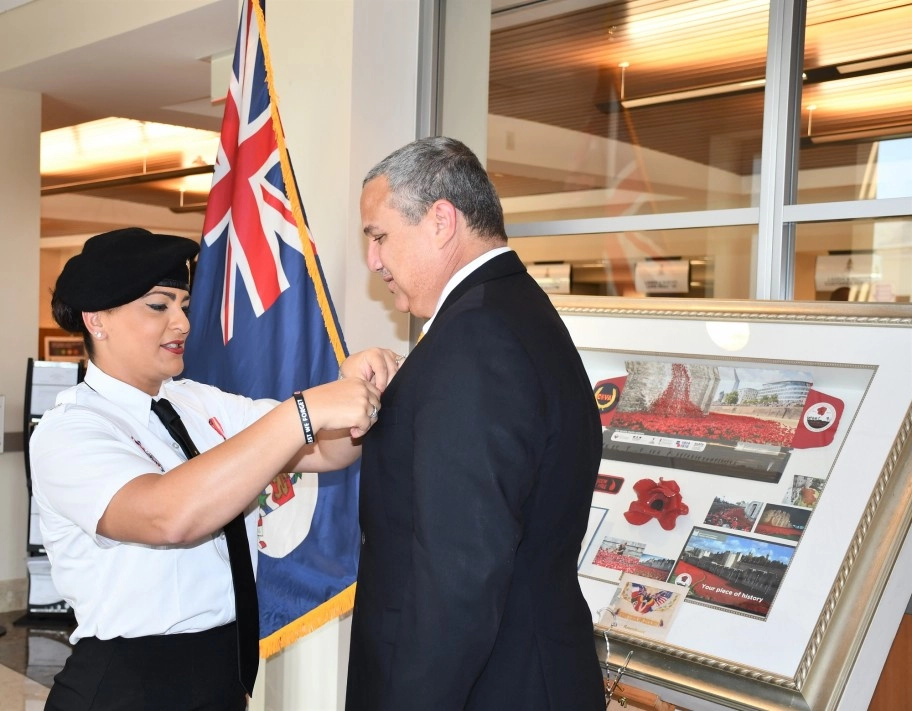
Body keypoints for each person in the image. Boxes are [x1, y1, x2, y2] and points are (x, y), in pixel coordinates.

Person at [29, 227, 399, 711]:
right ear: (97, 320)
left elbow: (327, 452)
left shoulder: (196, 401)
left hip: (220, 673)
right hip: (130, 686)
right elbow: (170, 516)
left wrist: (360, 397)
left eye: (183, 305)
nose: (181, 323)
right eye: (159, 306)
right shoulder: (70, 430)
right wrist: (304, 412)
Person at [345, 137, 605, 710]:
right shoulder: (511, 312)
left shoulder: (474, 341)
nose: (374, 261)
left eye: (379, 236)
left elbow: (457, 578)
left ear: (441, 221)